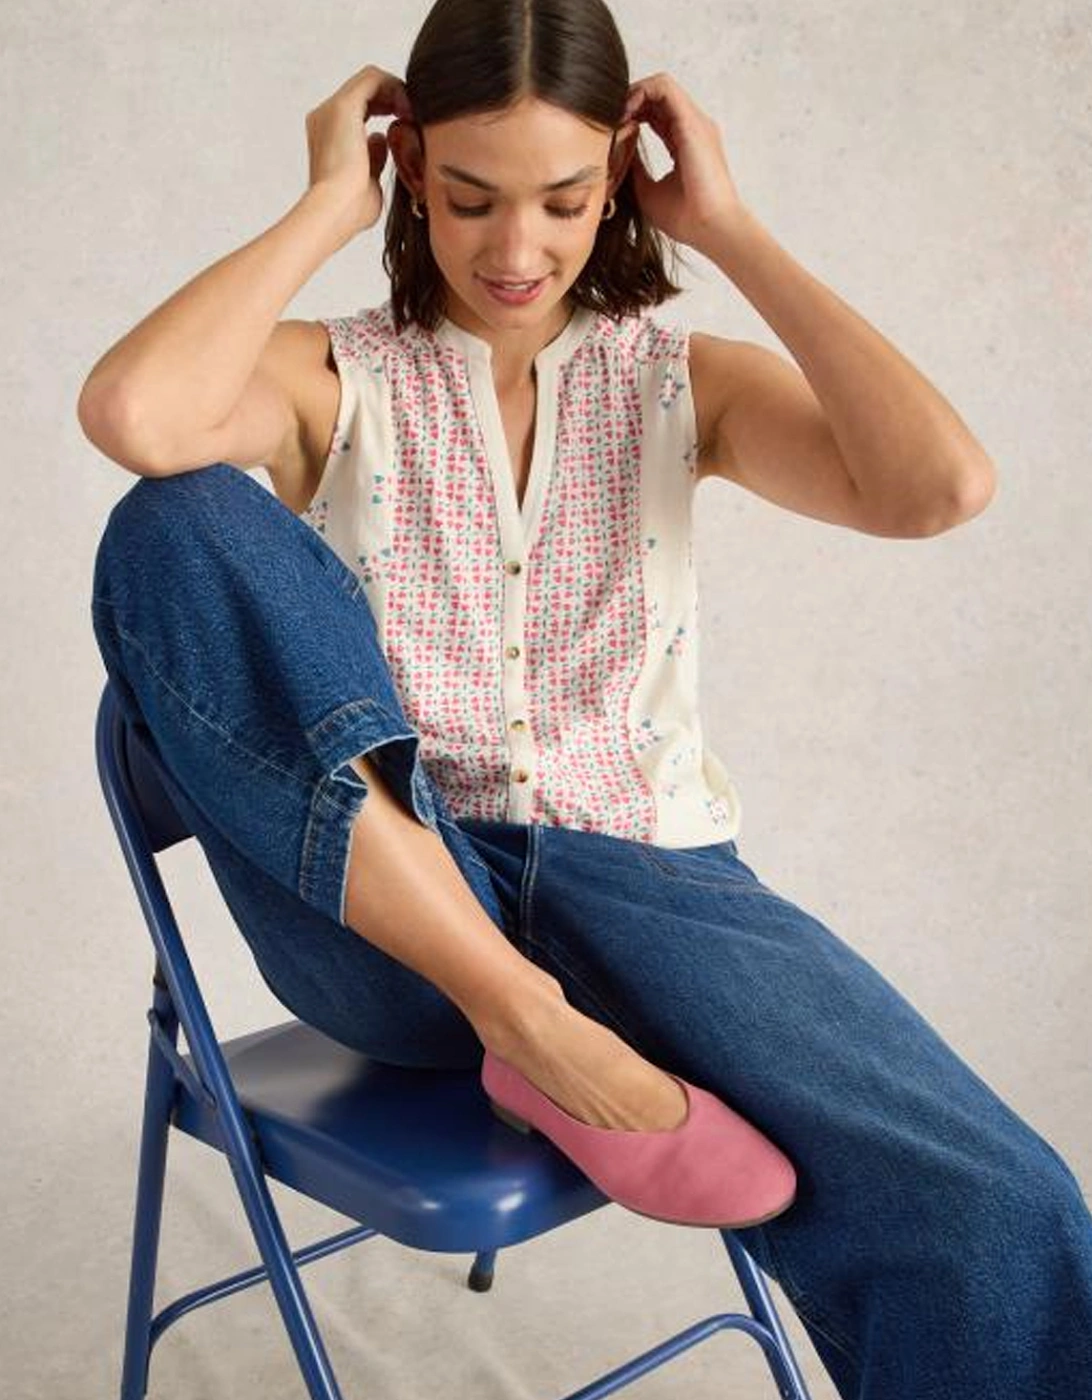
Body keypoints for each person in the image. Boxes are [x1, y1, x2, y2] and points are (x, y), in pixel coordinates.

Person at [80, 0, 1092, 1394]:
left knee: (1006, 1213)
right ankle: (530, 1024)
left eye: (561, 201)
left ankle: (551, 1024)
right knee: (170, 520)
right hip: (401, 924)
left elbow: (941, 489)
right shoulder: (331, 380)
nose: (515, 250)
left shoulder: (681, 381)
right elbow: (136, 417)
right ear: (412, 169)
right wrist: (323, 203)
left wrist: (728, 230)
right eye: (469, 197)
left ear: (617, 177)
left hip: (651, 886)